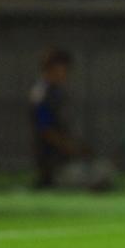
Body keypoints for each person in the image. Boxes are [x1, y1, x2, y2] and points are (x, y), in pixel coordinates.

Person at [29, 47, 92, 189]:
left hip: (63, 161)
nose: (66, 73)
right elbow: (45, 130)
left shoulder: (56, 92)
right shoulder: (42, 95)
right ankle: (48, 181)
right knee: (100, 176)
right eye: (63, 68)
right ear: (50, 68)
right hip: (52, 164)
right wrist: (72, 148)